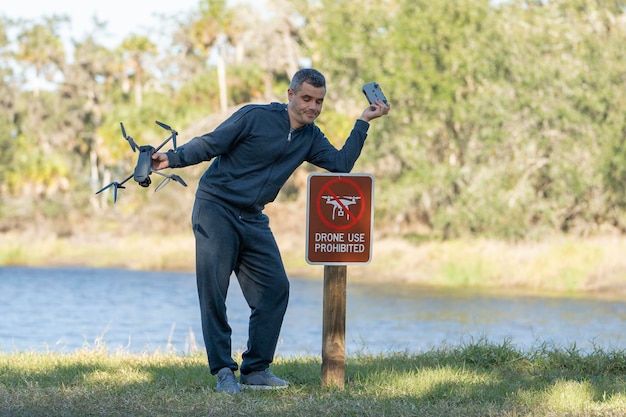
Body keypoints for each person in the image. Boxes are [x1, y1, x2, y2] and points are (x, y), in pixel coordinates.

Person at [151, 68, 390, 394]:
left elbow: (340, 164)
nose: (313, 107)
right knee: (214, 292)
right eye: (307, 98)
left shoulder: (310, 137)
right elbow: (210, 144)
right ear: (290, 95)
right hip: (215, 208)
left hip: (252, 217)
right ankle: (223, 371)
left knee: (275, 289)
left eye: (319, 101)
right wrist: (171, 158)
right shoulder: (254, 117)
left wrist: (363, 121)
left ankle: (256, 369)